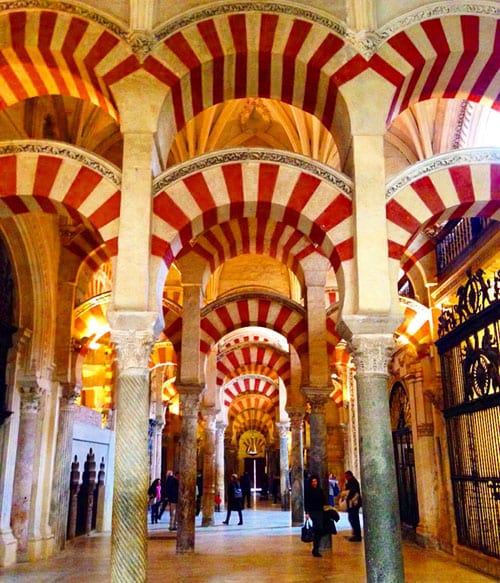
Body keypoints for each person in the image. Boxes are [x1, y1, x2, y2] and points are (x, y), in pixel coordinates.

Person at [304, 475, 326, 557]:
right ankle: (315, 548)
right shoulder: (308, 491)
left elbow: (323, 500)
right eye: (313, 482)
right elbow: (306, 502)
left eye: (315, 481)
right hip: (313, 512)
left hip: (320, 511)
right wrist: (306, 513)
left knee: (319, 529)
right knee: (318, 528)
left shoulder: (319, 490)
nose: (314, 483)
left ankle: (316, 547)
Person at [341, 470, 362, 542]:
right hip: (352, 504)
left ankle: (357, 535)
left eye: (346, 476)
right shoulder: (352, 481)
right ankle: (355, 534)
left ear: (349, 475)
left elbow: (352, 492)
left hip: (353, 504)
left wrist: (346, 496)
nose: (345, 478)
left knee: (354, 519)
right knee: (352, 518)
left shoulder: (353, 482)